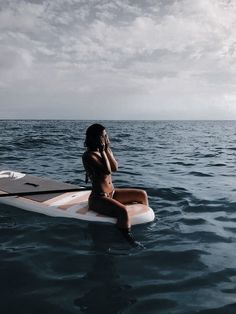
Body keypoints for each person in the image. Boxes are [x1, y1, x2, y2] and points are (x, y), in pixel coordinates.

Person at [82, 123, 149, 247]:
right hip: (99, 198)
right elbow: (107, 170)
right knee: (122, 211)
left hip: (112, 193)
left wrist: (106, 150)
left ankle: (145, 226)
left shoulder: (106, 151)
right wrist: (103, 151)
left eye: (106, 135)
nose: (107, 139)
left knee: (141, 194)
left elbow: (115, 167)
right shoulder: (88, 156)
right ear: (96, 138)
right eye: (103, 136)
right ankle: (127, 238)